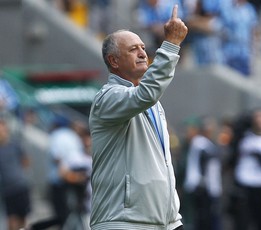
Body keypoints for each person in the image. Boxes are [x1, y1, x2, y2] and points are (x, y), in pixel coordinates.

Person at [88, 4, 188, 230]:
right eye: (133, 49)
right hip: (123, 222)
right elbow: (146, 94)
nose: (143, 53)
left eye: (143, 47)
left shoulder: (151, 100)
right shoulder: (107, 98)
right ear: (114, 61)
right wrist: (171, 44)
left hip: (166, 222)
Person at [183, 116, 223, 230]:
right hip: (202, 186)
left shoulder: (207, 143)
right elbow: (204, 160)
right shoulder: (199, 142)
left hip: (208, 185)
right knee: (202, 217)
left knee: (208, 216)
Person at [0, 118, 31, 230]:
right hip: (7, 190)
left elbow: (26, 162)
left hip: (20, 186)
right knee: (11, 220)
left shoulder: (15, 145)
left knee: (22, 219)